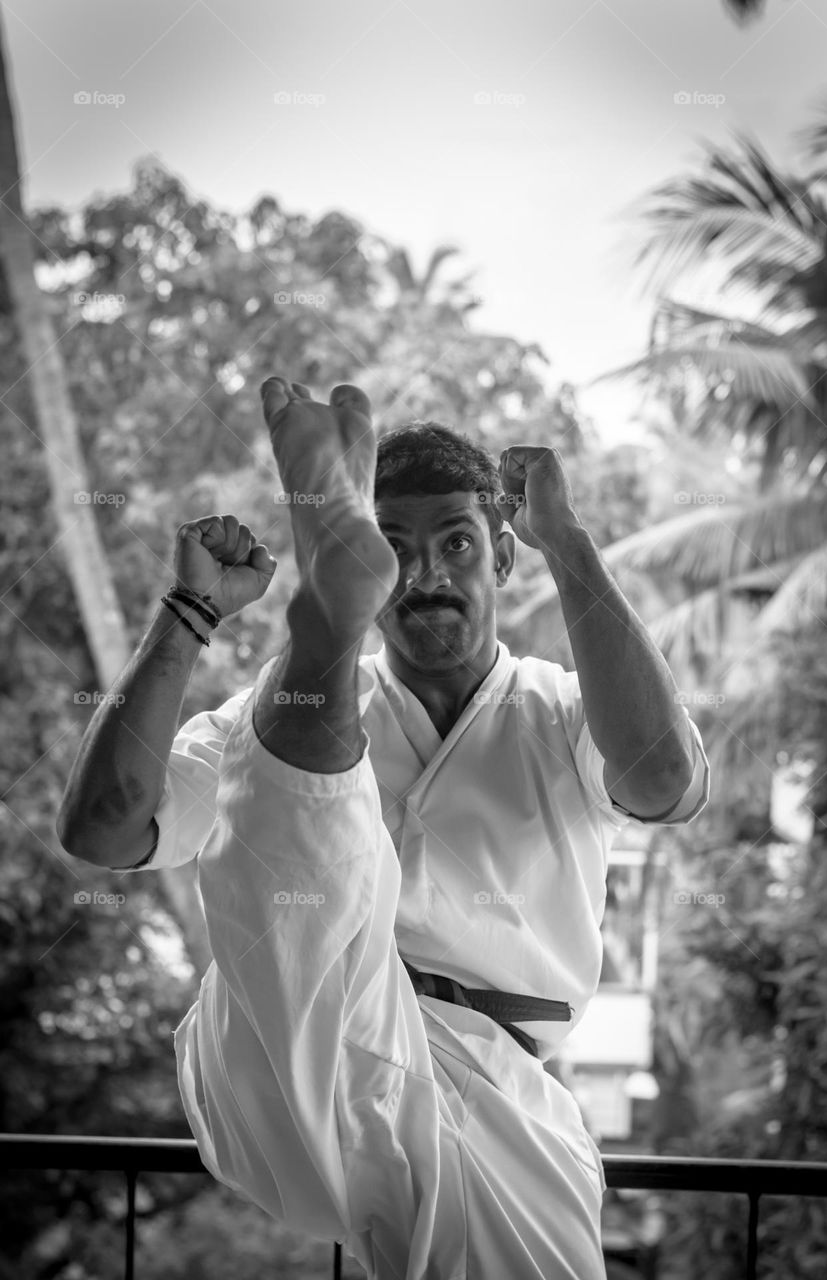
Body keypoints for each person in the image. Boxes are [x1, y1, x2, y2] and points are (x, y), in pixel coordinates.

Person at [58, 377, 709, 1279]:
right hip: (284, 1042)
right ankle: (328, 619)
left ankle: (332, 605)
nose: (429, 575)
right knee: (295, 841)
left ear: (505, 559)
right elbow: (101, 831)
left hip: (492, 1086)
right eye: (393, 550)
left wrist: (571, 543)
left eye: (457, 543)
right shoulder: (269, 714)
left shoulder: (562, 713)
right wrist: (188, 612)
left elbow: (664, 779)